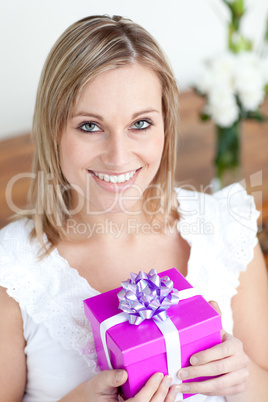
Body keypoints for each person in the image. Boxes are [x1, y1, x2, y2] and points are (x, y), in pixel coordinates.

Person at [0, 14, 267, 402]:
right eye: (90, 126)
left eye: (140, 123)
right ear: (52, 129)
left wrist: (243, 379)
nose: (118, 157)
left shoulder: (227, 229)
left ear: (166, 127)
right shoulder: (12, 270)